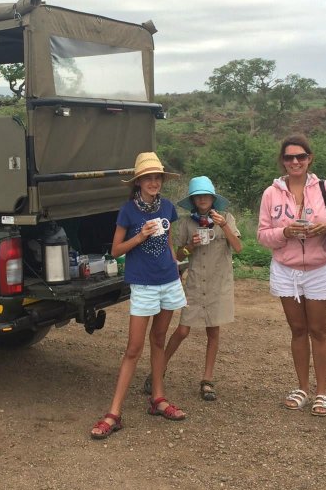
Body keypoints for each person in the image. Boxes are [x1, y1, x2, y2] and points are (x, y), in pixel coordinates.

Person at [90, 152, 188, 439]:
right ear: (139, 182)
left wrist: (176, 266)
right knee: (133, 348)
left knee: (158, 339)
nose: (154, 182)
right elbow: (116, 250)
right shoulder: (128, 211)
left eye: (157, 177)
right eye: (148, 178)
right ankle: (114, 413)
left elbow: (169, 243)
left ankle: (158, 398)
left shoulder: (168, 208)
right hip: (143, 284)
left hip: (168, 280)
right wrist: (140, 236)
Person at [257, 135, 326, 417]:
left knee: (319, 331)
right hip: (286, 270)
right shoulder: (270, 194)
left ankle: (322, 392)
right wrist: (284, 232)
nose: (295, 162)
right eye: (289, 157)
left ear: (310, 158)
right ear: (282, 161)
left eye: (300, 156)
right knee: (297, 330)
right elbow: (262, 236)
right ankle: (302, 387)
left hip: (320, 269)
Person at [156, 176, 243, 402]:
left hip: (218, 283)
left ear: (213, 198)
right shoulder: (186, 223)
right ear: (193, 200)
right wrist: (190, 246)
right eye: (198, 196)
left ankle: (207, 379)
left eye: (206, 195)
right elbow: (179, 255)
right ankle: (159, 369)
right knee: (183, 330)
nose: (202, 199)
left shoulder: (227, 218)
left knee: (213, 331)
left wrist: (223, 225)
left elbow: (239, 247)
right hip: (195, 282)